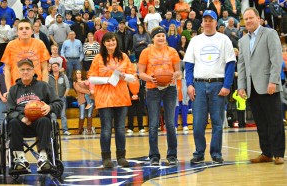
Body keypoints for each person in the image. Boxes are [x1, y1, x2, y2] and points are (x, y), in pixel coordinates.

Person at [184, 10, 236, 164]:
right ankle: (199, 153)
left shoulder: (224, 39)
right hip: (199, 85)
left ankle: (216, 153)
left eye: (210, 20)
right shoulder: (195, 41)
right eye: (205, 20)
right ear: (202, 23)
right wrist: (189, 84)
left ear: (216, 22)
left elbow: (230, 64)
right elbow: (188, 65)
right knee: (198, 122)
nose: (207, 22)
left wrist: (227, 85)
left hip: (218, 84)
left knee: (217, 122)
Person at [237, 7, 286, 165]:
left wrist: (273, 81)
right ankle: (266, 153)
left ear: (259, 19)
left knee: (275, 121)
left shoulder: (270, 34)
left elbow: (276, 59)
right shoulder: (243, 40)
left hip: (268, 85)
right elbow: (242, 65)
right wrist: (241, 86)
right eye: (246, 19)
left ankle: (278, 154)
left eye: (251, 18)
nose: (249, 21)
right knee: (261, 122)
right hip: (252, 88)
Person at [88, 32, 136, 168]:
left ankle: (121, 157)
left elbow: (133, 76)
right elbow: (91, 78)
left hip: (121, 97)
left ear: (117, 42)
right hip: (104, 98)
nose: (111, 43)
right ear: (103, 43)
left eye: (113, 41)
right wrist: (107, 80)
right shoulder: (98, 58)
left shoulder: (124, 57)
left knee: (120, 129)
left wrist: (124, 76)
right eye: (108, 41)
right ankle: (106, 158)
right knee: (106, 129)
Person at [7, 59, 63, 174]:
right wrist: (21, 117)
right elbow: (9, 111)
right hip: (21, 123)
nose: (25, 72)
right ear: (19, 72)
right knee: (12, 122)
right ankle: (20, 159)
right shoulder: (13, 89)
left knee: (45, 120)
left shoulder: (43, 86)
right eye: (22, 69)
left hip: (39, 123)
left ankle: (43, 158)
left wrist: (50, 107)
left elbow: (58, 103)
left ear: (33, 71)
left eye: (28, 69)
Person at [138, 26, 181, 166]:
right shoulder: (146, 52)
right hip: (152, 89)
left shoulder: (172, 51)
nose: (161, 38)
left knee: (170, 123)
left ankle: (172, 155)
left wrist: (170, 77)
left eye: (163, 35)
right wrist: (150, 78)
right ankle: (154, 156)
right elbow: (141, 73)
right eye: (158, 36)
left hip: (170, 89)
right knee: (153, 123)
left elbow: (178, 72)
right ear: (153, 38)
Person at [1, 19, 50, 94]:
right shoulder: (11, 45)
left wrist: (44, 88)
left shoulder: (40, 44)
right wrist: (9, 90)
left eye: (27, 28)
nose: (24, 31)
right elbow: (7, 70)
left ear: (32, 31)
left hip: (37, 88)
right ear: (17, 32)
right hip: (17, 88)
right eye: (21, 28)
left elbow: (44, 69)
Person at [48, 62, 71, 135]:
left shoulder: (64, 76)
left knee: (63, 115)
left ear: (58, 67)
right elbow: (47, 88)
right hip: (53, 99)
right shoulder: (49, 77)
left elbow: (67, 87)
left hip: (62, 97)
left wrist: (64, 96)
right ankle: (53, 131)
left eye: (56, 66)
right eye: (53, 67)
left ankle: (65, 130)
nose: (54, 68)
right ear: (51, 68)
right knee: (53, 115)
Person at [73, 70, 96, 135]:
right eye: (77, 73)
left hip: (90, 98)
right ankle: (80, 129)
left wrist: (91, 91)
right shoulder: (75, 82)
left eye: (80, 73)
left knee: (89, 114)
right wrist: (88, 91)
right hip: (81, 99)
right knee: (82, 115)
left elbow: (91, 86)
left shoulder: (86, 81)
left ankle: (89, 129)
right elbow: (79, 90)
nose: (79, 74)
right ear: (75, 74)